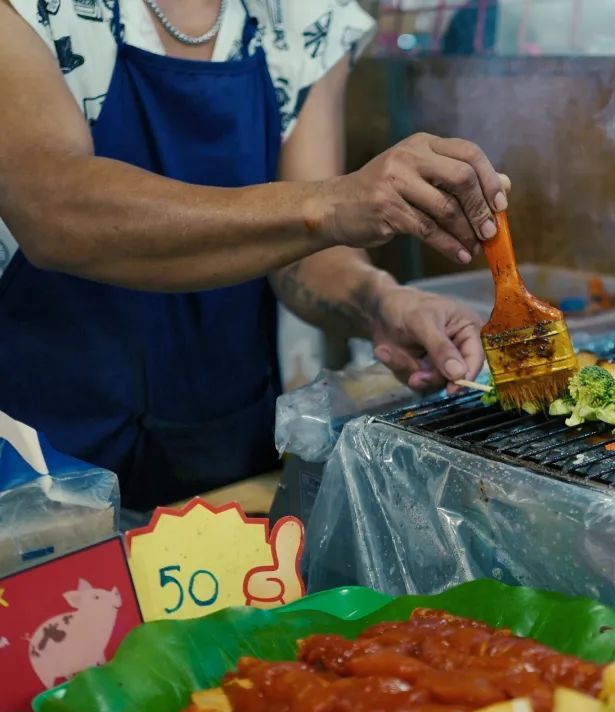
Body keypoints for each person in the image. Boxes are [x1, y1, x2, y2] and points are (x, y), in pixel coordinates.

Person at [0, 0, 509, 510]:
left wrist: (383, 303)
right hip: (38, 462)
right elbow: (52, 209)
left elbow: (302, 255)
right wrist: (332, 201)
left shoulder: (302, 16)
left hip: (222, 444)